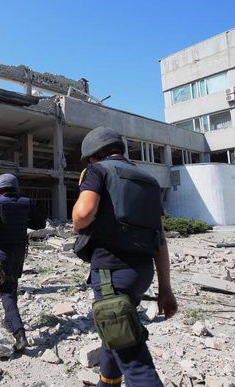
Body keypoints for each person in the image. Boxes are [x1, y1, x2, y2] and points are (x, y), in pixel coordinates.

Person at [72, 126, 177, 387]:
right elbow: (160, 241)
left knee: (136, 362)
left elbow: (83, 213)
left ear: (93, 156)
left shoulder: (98, 171)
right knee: (118, 332)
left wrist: (77, 224)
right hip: (141, 275)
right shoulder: (149, 181)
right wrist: (166, 288)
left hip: (111, 274)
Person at [0, 173, 45, 351]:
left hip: (2, 253)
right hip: (20, 253)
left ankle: (19, 334)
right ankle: (10, 321)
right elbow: (40, 223)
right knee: (13, 285)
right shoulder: (25, 202)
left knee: (6, 291)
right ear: (15, 187)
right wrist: (22, 221)